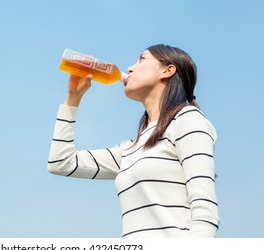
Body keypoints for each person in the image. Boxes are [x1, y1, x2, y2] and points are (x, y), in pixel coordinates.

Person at [47, 44, 219, 238]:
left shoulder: (187, 119)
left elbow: (205, 211)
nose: (129, 68)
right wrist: (73, 98)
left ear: (168, 70)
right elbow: (60, 163)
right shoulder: (130, 149)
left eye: (141, 60)